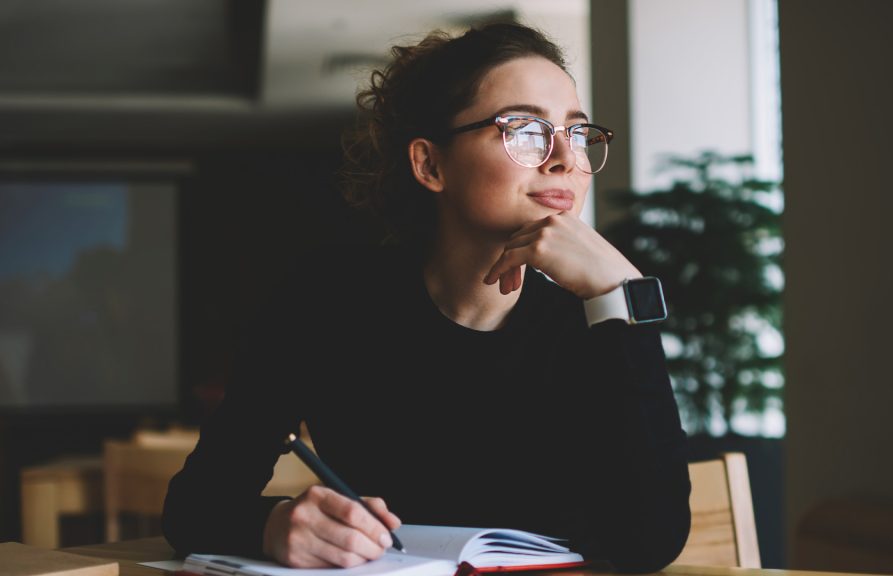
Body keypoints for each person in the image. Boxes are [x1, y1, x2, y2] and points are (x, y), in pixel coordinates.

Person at [162, 22, 690, 573]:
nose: (564, 158)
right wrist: (272, 525)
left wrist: (621, 297)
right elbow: (193, 507)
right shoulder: (325, 301)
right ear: (430, 164)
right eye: (524, 128)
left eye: (577, 133)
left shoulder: (596, 326)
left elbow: (649, 544)